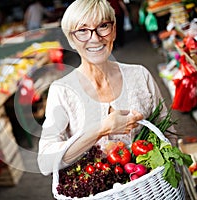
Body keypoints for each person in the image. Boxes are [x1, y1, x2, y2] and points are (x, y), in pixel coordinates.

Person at [37, 0, 177, 177]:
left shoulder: (140, 75)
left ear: (114, 30)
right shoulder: (62, 91)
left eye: (103, 26)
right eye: (82, 30)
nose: (95, 38)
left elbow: (168, 134)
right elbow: (45, 163)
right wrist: (102, 129)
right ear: (71, 40)